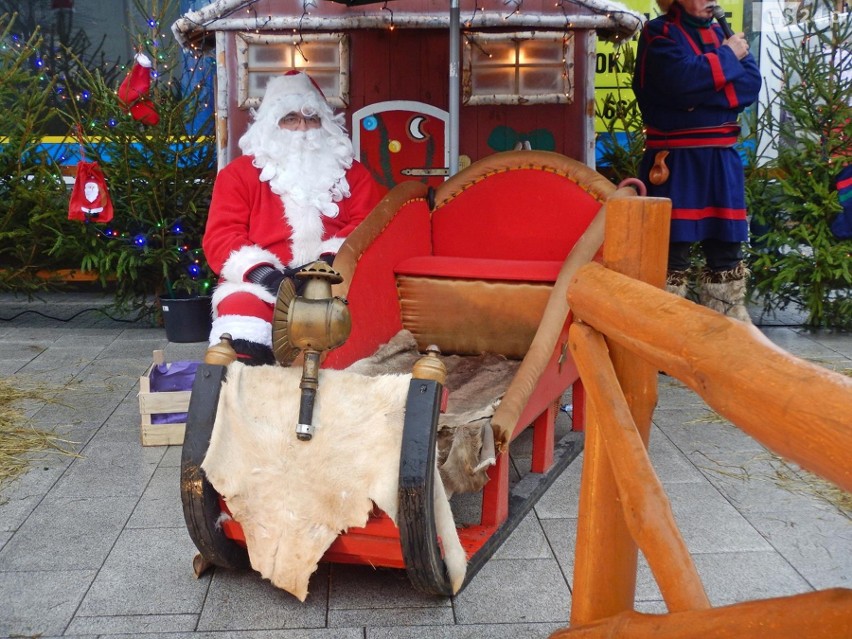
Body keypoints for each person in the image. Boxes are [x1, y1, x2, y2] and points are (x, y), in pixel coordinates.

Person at [203, 71, 385, 364]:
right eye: (290, 119)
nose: (303, 128)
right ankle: (244, 392)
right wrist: (266, 275)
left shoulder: (354, 174)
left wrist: (325, 264)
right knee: (240, 312)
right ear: (271, 126)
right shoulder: (238, 175)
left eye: (312, 119)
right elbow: (223, 236)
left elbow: (368, 225)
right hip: (260, 285)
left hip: (337, 280)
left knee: (361, 320)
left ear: (325, 124)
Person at [633, 0, 762, 321]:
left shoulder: (723, 33)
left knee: (726, 252)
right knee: (670, 253)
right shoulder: (658, 33)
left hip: (721, 162)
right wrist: (728, 58)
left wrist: (697, 91)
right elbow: (680, 83)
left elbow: (749, 86)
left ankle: (725, 333)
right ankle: (662, 333)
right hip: (674, 162)